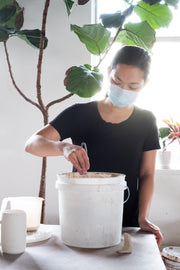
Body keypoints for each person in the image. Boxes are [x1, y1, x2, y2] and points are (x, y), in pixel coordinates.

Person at [25, 45, 163, 246]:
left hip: (126, 222)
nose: (123, 89)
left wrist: (143, 217)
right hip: (82, 217)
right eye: (117, 81)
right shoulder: (80, 113)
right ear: (109, 73)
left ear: (145, 83)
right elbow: (32, 144)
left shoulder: (146, 120)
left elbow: (147, 174)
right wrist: (63, 147)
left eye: (133, 86)